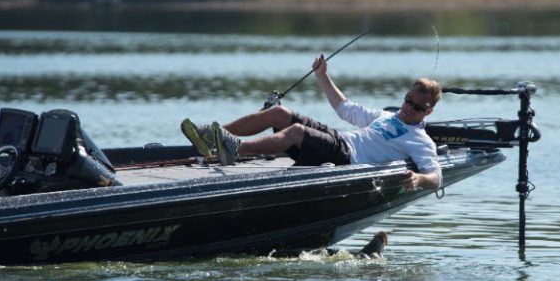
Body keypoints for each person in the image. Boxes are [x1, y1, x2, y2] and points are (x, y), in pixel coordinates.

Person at [181, 55, 442, 191]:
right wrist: (322, 76)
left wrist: (419, 179)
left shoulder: (420, 141)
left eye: (417, 107)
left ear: (428, 112)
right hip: (340, 139)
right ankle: (216, 137)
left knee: (296, 131)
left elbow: (436, 176)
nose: (408, 107)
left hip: (347, 157)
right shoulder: (386, 116)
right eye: (408, 100)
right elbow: (345, 108)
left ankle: (234, 149)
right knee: (279, 114)